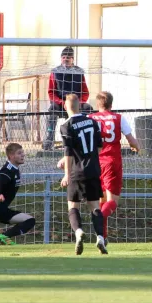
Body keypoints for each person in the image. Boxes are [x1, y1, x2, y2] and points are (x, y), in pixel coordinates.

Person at [59, 91, 140, 245]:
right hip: (110, 162)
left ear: (97, 104)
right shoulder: (118, 118)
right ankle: (100, 229)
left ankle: (103, 237)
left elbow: (77, 142)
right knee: (110, 202)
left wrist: (65, 158)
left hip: (93, 163)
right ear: (111, 103)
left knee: (95, 202)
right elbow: (131, 140)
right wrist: (137, 147)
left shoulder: (90, 118)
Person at [59, 94, 107, 255]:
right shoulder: (93, 122)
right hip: (94, 169)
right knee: (95, 206)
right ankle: (100, 237)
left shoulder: (66, 125)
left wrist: (66, 174)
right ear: (80, 105)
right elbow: (99, 147)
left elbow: (68, 152)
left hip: (77, 172)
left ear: (65, 107)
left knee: (73, 205)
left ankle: (78, 232)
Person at [43, 47, 93, 150]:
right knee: (52, 109)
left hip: (77, 104)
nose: (65, 59)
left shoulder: (79, 72)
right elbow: (51, 92)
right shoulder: (55, 72)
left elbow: (85, 91)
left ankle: (87, 138)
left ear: (72, 59)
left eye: (68, 57)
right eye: (63, 57)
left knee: (88, 108)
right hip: (61, 104)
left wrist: (79, 103)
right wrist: (62, 102)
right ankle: (49, 138)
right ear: (61, 58)